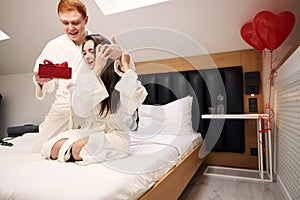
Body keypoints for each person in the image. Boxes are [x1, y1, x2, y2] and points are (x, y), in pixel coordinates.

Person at [40, 34, 148, 164]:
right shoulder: (88, 79)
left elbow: (136, 94)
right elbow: (80, 108)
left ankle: (75, 149)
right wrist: (97, 70)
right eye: (84, 53)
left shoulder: (120, 77)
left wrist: (124, 63)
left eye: (92, 51)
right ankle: (74, 148)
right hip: (93, 131)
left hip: (116, 137)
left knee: (79, 148)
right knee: (52, 147)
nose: (87, 56)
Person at [32, 0, 122, 152]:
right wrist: (40, 81)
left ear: (86, 20)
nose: (70, 28)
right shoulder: (54, 46)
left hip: (93, 107)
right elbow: (44, 80)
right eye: (65, 23)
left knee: (93, 146)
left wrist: (120, 57)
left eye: (75, 22)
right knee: (39, 149)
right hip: (63, 107)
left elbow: (118, 73)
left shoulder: (98, 42)